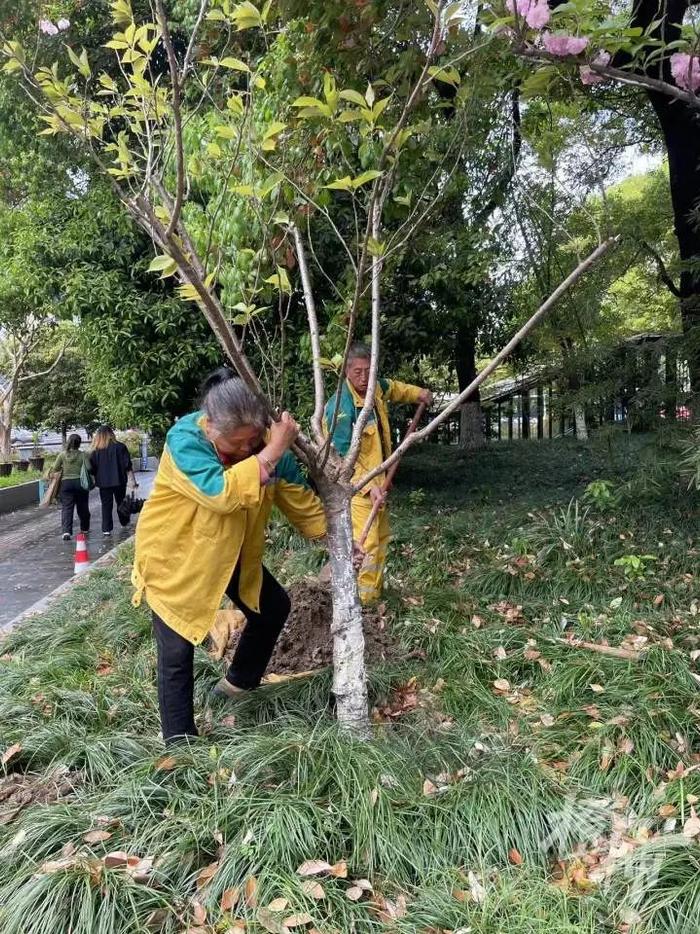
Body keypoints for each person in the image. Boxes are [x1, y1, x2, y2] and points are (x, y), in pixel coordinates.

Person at [131, 368, 328, 744]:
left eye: (251, 442)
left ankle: (237, 684)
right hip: (177, 557)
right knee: (176, 654)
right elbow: (221, 494)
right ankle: (180, 744)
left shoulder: (267, 447)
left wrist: (332, 538)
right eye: (233, 446)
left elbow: (298, 500)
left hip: (230, 551)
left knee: (272, 607)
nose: (243, 452)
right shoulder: (185, 440)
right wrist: (270, 451)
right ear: (210, 427)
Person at [324, 343, 432, 605]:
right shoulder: (341, 407)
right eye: (358, 372)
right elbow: (339, 459)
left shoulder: (376, 389)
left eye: (368, 371)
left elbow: (395, 388)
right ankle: (363, 606)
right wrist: (367, 486)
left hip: (379, 486)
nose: (364, 378)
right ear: (346, 372)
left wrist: (420, 393)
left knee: (381, 539)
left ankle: (376, 595)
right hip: (357, 491)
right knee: (367, 545)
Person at [90, 426, 138, 537]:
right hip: (119, 481)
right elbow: (127, 465)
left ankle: (106, 529)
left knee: (106, 505)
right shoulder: (121, 447)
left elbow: (92, 468)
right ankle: (124, 522)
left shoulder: (96, 450)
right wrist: (133, 481)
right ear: (111, 434)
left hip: (103, 482)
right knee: (121, 502)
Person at [51, 433, 92, 541]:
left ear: (68, 442)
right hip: (80, 484)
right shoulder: (83, 455)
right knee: (83, 506)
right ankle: (84, 528)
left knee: (67, 508)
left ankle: (66, 531)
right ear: (79, 443)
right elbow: (88, 468)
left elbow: (55, 468)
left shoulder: (62, 455)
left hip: (66, 484)